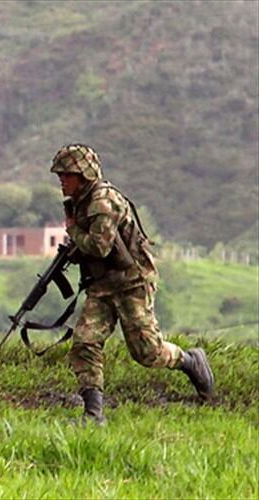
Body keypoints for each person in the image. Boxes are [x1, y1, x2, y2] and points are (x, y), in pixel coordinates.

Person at [50, 143, 214, 425]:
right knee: (85, 343)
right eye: (60, 175)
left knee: (147, 353)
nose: (62, 180)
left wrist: (73, 230)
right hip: (102, 285)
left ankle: (190, 361)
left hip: (132, 283)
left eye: (67, 175)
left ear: (84, 175)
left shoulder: (102, 201)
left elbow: (99, 247)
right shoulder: (80, 201)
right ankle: (93, 415)